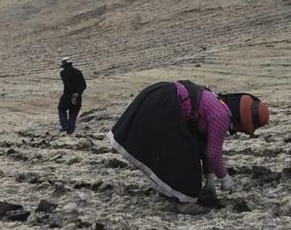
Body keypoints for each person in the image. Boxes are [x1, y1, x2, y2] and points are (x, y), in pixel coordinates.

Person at [107, 80, 269, 215]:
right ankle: (183, 202)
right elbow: (213, 154)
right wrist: (224, 178)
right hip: (163, 110)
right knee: (186, 162)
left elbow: (204, 144)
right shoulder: (221, 116)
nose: (239, 131)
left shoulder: (218, 102)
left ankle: (170, 190)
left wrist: (209, 178)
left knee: (186, 150)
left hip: (159, 97)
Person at [58, 57, 87, 134]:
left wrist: (71, 95)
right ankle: (70, 130)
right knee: (73, 112)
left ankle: (65, 125)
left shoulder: (63, 73)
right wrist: (77, 93)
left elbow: (67, 85)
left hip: (67, 96)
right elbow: (84, 85)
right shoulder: (78, 72)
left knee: (61, 108)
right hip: (78, 97)